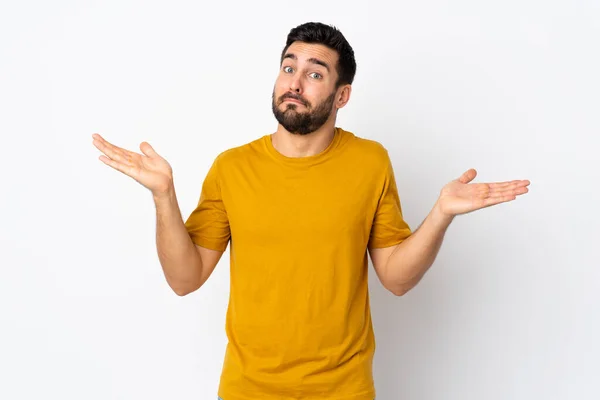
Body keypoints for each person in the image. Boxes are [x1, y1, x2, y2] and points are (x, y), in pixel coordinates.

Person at [92, 21, 530, 400]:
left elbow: (396, 279)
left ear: (342, 96)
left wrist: (441, 214)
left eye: (314, 73)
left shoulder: (370, 162)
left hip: (343, 390)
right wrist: (164, 196)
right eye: (288, 68)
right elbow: (184, 280)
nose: (294, 83)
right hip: (248, 389)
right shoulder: (232, 167)